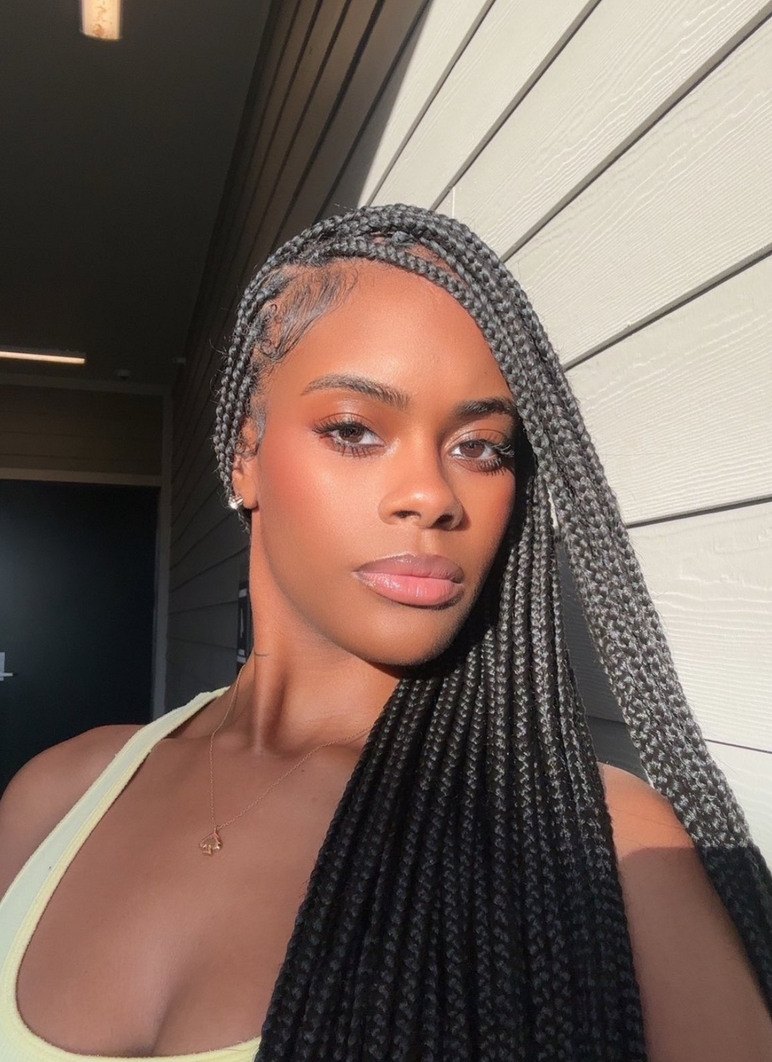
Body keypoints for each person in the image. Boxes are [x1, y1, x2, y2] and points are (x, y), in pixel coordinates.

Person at [0, 204, 770, 1062]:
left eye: (481, 447)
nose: (432, 495)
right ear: (245, 455)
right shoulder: (56, 794)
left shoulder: (606, 846)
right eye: (354, 430)